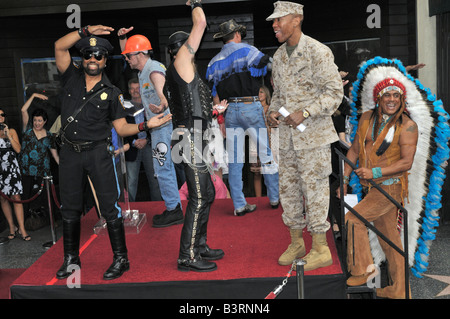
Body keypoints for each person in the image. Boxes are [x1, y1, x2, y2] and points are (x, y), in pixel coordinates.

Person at [54, 25, 172, 280]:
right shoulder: (70, 77)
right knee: (70, 209)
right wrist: (84, 30)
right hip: (70, 154)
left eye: (98, 56)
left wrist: (145, 125)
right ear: (82, 59)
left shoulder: (113, 93)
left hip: (98, 153)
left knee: (110, 207)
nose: (93, 59)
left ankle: (121, 259)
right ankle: (71, 259)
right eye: (88, 55)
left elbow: (120, 127)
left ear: (105, 61)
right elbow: (60, 47)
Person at [266, 1, 344, 271]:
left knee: (315, 192)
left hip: (313, 139)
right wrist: (272, 111)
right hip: (287, 139)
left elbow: (335, 94)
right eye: (273, 21)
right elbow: (278, 94)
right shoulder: (278, 55)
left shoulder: (317, 51)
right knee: (288, 191)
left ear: (296, 19)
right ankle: (297, 241)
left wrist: (306, 112)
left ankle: (321, 248)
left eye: (279, 20)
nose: (274, 25)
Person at [164, 0, 229, 272]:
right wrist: (195, 3)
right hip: (189, 137)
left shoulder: (186, 69)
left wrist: (212, 111)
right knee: (200, 196)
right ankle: (187, 256)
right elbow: (200, 22)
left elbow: (190, 106)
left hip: (195, 134)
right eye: (190, 42)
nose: (196, 44)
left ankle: (199, 245)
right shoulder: (181, 61)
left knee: (208, 193)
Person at [206, 19, 279, 216]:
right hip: (251, 106)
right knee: (265, 154)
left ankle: (239, 204)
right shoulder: (247, 50)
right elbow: (268, 64)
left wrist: (220, 120)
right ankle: (274, 198)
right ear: (237, 35)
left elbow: (215, 94)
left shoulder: (214, 62)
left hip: (230, 111)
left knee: (235, 160)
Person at [118, 28, 182, 227]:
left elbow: (160, 83)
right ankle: (173, 206)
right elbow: (130, 53)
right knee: (163, 167)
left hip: (163, 125)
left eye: (129, 55)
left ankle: (174, 209)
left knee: (162, 168)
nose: (127, 59)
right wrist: (123, 39)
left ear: (141, 54)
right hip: (158, 127)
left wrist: (163, 101)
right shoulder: (142, 69)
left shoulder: (153, 68)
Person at [20, 95, 60, 222]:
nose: (37, 123)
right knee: (25, 197)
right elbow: (23, 110)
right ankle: (22, 224)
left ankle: (53, 222)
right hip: (26, 170)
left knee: (47, 196)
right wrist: (34, 95)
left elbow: (55, 155)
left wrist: (65, 168)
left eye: (40, 120)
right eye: (35, 120)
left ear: (45, 121)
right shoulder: (27, 130)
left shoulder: (49, 136)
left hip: (43, 170)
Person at [123, 78, 162, 202]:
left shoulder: (150, 105)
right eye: (132, 88)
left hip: (149, 146)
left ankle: (158, 206)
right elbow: (122, 127)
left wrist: (147, 140)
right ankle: (130, 209)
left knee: (155, 178)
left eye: (137, 88)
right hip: (131, 147)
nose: (135, 91)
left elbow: (158, 124)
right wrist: (133, 142)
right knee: (131, 181)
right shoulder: (124, 107)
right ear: (129, 91)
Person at [0, 109, 30, 241]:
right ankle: (12, 227)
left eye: (2, 115)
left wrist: (8, 135)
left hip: (11, 166)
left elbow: (18, 149)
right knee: (3, 198)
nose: (0, 117)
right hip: (0, 168)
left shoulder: (11, 131)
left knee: (16, 196)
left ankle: (22, 228)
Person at [250, 86, 279, 206]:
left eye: (261, 92)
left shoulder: (272, 109)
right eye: (258, 91)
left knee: (272, 170)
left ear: (266, 94)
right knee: (257, 172)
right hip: (255, 140)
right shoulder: (252, 108)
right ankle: (258, 199)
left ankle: (273, 196)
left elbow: (277, 124)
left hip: (271, 139)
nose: (259, 93)